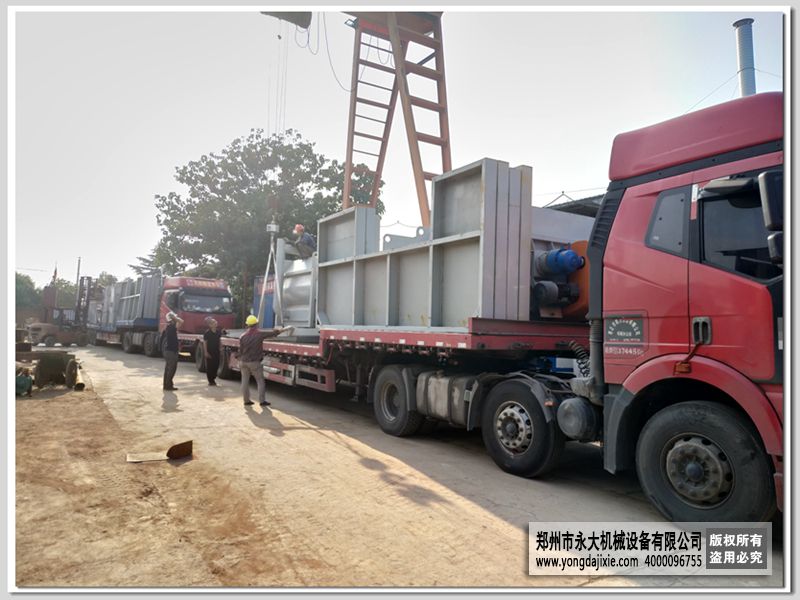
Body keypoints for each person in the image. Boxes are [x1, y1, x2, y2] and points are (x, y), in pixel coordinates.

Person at [235, 315, 292, 407]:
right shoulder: (259, 334)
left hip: (243, 361)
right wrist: (285, 329)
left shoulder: (243, 336)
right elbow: (274, 333)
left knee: (244, 381)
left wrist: (238, 357)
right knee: (260, 381)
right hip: (254, 362)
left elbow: (240, 350)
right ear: (256, 324)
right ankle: (262, 401)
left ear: (248, 325)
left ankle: (246, 400)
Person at [163, 311, 184, 391]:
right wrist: (174, 318)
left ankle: (167, 385)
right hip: (171, 351)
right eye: (174, 318)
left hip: (170, 350)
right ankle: (168, 385)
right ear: (172, 319)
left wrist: (174, 318)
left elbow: (180, 321)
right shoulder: (171, 327)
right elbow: (181, 321)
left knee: (168, 369)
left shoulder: (170, 326)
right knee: (172, 369)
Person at [202, 318, 222, 386]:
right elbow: (205, 343)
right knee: (210, 366)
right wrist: (205, 352)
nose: (216, 323)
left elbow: (219, 340)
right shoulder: (207, 333)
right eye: (214, 322)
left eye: (215, 321)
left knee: (216, 365)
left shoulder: (218, 332)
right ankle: (211, 381)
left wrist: (220, 348)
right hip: (209, 352)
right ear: (210, 325)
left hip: (216, 351)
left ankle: (213, 378)